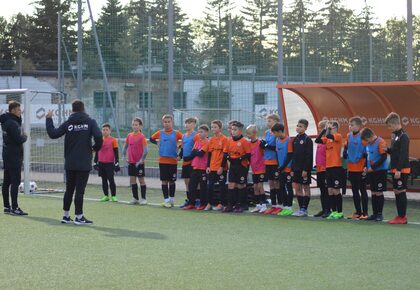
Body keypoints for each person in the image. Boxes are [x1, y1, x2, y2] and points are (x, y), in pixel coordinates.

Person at [46, 99, 102, 225]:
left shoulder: (69, 123)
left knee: (69, 189)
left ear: (72, 110)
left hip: (70, 162)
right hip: (83, 162)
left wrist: (49, 119)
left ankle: (66, 216)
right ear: (83, 109)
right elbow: (98, 136)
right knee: (80, 191)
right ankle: (79, 217)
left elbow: (53, 134)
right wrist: (95, 148)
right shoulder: (90, 122)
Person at [1, 101, 28, 215]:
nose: (20, 111)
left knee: (6, 181)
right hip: (14, 156)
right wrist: (25, 137)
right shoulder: (12, 123)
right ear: (12, 110)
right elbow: (19, 139)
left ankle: (7, 206)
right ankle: (15, 208)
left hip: (7, 154)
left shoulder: (7, 121)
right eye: (18, 109)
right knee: (15, 182)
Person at [150, 114, 183, 208]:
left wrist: (179, 146)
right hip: (162, 161)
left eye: (169, 122)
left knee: (172, 181)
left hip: (172, 161)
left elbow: (185, 140)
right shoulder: (159, 133)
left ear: (172, 122)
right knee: (164, 181)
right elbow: (151, 138)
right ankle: (166, 200)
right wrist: (157, 143)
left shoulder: (176, 133)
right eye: (165, 122)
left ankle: (172, 199)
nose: (167, 124)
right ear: (163, 123)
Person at [315, 121, 344, 220]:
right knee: (330, 190)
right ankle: (334, 211)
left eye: (330, 128)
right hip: (328, 167)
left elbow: (329, 135)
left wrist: (327, 130)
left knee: (336, 190)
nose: (328, 129)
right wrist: (324, 130)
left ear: (335, 128)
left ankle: (340, 212)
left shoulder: (338, 136)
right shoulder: (327, 138)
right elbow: (317, 140)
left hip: (336, 167)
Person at [385, 112, 410, 224]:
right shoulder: (395, 136)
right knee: (396, 191)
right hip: (395, 169)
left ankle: (402, 217)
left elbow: (403, 154)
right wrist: (387, 150)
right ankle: (399, 215)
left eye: (389, 126)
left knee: (401, 191)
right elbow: (395, 152)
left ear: (394, 124)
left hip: (402, 169)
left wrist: (399, 170)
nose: (389, 128)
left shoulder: (404, 136)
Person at [343, 117, 369, 219]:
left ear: (358, 126)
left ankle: (365, 213)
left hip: (361, 168)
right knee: (354, 191)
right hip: (351, 168)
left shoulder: (363, 136)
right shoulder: (348, 136)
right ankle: (358, 212)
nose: (350, 126)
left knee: (363, 190)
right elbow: (346, 146)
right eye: (349, 125)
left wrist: (366, 166)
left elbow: (367, 152)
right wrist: (345, 152)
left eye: (352, 125)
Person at [361, 127, 388, 222]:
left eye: (367, 139)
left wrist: (373, 167)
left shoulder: (381, 142)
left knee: (378, 192)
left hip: (380, 171)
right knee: (373, 192)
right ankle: (374, 213)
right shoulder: (368, 143)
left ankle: (380, 214)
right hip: (371, 171)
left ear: (371, 136)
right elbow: (367, 157)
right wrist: (365, 166)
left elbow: (384, 157)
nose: (367, 142)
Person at [223, 121, 251, 213]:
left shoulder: (244, 141)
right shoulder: (229, 140)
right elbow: (225, 152)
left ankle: (241, 204)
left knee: (240, 185)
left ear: (240, 130)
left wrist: (239, 159)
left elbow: (248, 154)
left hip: (242, 166)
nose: (233, 131)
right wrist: (229, 158)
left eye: (235, 129)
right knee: (231, 184)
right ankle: (230, 204)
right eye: (232, 129)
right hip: (233, 166)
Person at [204, 120, 229, 211]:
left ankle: (221, 204)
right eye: (212, 127)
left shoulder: (224, 139)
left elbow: (225, 154)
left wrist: (221, 167)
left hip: (221, 168)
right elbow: (209, 154)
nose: (213, 129)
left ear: (220, 128)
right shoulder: (211, 139)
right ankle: (209, 204)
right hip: (212, 167)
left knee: (222, 186)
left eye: (215, 127)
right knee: (210, 186)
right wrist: (208, 166)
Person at [183, 125, 210, 210]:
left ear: (206, 133)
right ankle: (191, 203)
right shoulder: (197, 142)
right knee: (192, 186)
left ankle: (203, 204)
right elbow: (193, 153)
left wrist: (196, 152)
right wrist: (189, 156)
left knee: (203, 187)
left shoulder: (207, 142)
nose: (199, 134)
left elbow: (201, 154)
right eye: (199, 132)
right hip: (195, 167)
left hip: (203, 168)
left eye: (201, 132)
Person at [123, 118, 148, 205]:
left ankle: (144, 198)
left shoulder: (142, 137)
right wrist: (124, 156)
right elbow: (125, 147)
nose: (134, 126)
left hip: (139, 163)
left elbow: (145, 151)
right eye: (133, 124)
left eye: (136, 125)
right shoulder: (129, 135)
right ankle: (135, 198)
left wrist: (141, 160)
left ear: (140, 126)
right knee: (132, 180)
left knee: (141, 180)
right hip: (131, 162)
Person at [271, 123, 294, 217]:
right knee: (281, 187)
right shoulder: (277, 140)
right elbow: (277, 153)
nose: (274, 135)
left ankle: (290, 208)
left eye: (275, 133)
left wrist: (283, 166)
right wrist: (278, 166)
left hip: (287, 168)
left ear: (280, 132)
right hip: (281, 168)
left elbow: (290, 155)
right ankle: (285, 207)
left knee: (289, 187)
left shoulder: (289, 141)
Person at [291, 119, 313, 217]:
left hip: (304, 169)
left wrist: (305, 169)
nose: (298, 128)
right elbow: (293, 156)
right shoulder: (295, 139)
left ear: (305, 128)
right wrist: (292, 169)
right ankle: (300, 209)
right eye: (298, 126)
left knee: (306, 188)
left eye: (301, 126)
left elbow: (309, 156)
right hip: (296, 169)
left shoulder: (307, 139)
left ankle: (305, 209)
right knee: (297, 188)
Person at [260, 114, 281, 214]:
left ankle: (280, 205)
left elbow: (274, 147)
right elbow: (265, 145)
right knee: (271, 183)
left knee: (277, 183)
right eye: (267, 121)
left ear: (276, 122)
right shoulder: (267, 133)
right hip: (267, 161)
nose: (267, 123)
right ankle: (273, 205)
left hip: (275, 161)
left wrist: (266, 145)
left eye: (269, 121)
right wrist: (264, 145)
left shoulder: (278, 133)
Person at [94, 123, 120, 202]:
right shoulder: (99, 140)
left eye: (106, 130)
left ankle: (114, 196)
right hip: (101, 163)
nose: (105, 131)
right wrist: (95, 162)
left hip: (109, 163)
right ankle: (106, 195)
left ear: (110, 131)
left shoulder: (113, 140)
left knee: (111, 179)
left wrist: (117, 163)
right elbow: (97, 151)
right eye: (103, 130)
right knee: (103, 180)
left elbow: (116, 153)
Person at [246, 124, 267, 213]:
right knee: (255, 187)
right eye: (247, 133)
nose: (247, 135)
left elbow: (264, 153)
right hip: (254, 169)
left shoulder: (260, 143)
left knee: (260, 186)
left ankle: (264, 205)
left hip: (261, 168)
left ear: (254, 133)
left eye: (249, 133)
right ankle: (258, 205)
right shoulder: (248, 144)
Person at [179, 117, 198, 208]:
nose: (186, 125)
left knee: (194, 182)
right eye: (186, 123)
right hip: (185, 162)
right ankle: (189, 200)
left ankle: (197, 200)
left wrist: (190, 157)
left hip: (193, 163)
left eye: (189, 123)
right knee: (187, 182)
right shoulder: (183, 136)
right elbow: (182, 148)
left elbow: (197, 149)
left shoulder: (196, 135)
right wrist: (180, 156)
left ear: (194, 124)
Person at [314, 120, 330, 218]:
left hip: (325, 169)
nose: (319, 129)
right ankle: (324, 209)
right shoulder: (320, 141)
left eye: (321, 127)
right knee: (322, 190)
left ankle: (328, 209)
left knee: (326, 190)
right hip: (319, 169)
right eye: (319, 127)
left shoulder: (327, 140)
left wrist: (325, 131)